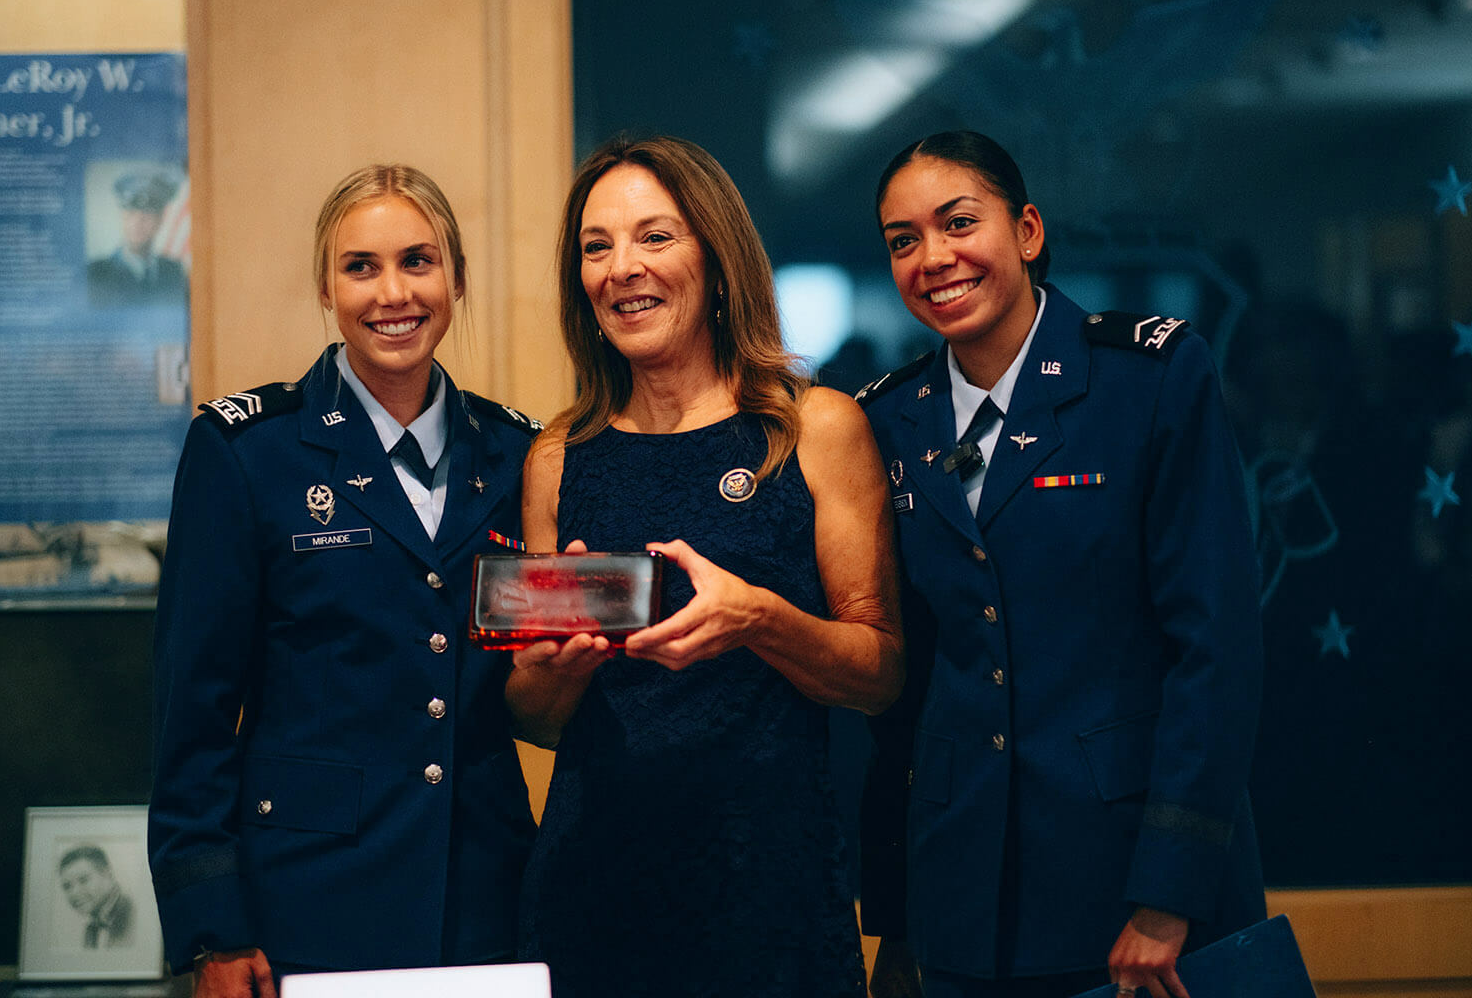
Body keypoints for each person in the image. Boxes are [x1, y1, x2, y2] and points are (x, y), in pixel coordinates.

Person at [856, 131, 1265, 998]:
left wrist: (1167, 892)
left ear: (1029, 231)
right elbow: (905, 691)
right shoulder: (889, 422)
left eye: (958, 222)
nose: (934, 258)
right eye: (903, 240)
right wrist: (896, 913)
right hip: (962, 896)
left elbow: (1216, 648)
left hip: (1129, 884)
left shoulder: (1148, 378)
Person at [506, 134, 904, 998]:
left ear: (717, 258)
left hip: (770, 893)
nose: (622, 269)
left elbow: (880, 674)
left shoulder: (812, 428)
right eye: (597, 246)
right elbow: (536, 717)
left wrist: (760, 619)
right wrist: (555, 670)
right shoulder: (558, 456)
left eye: (655, 237)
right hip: (592, 896)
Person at [147, 164, 541, 997]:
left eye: (418, 261)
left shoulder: (517, 456)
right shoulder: (248, 452)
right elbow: (194, 707)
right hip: (309, 897)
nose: (391, 292)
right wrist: (211, 927)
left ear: (457, 279)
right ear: (326, 288)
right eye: (360, 266)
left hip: (483, 899)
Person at [88, 169, 188, 307]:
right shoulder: (96, 273)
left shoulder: (173, 271)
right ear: (122, 218)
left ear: (160, 220)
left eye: (146, 215)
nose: (137, 223)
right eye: (130, 215)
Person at [58, 846, 134, 949]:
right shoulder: (92, 928)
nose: (74, 893)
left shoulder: (134, 916)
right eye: (67, 886)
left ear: (108, 875)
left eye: (83, 880)